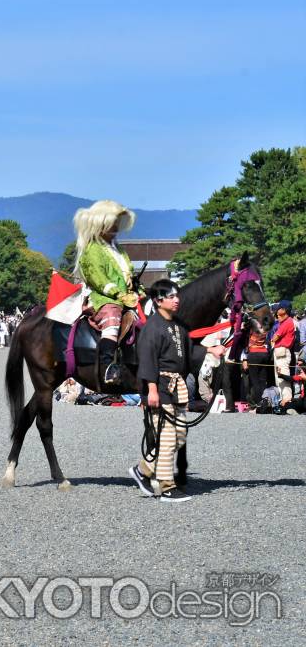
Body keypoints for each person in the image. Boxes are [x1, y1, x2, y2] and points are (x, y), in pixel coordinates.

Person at [129, 279, 224, 503]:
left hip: (176, 386)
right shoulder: (152, 328)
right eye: (171, 296)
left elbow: (189, 351)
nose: (176, 300)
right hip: (159, 385)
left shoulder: (178, 325)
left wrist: (211, 350)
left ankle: (143, 470)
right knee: (168, 436)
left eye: (176, 296)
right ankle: (165, 486)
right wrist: (151, 389)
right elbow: (147, 360)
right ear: (158, 300)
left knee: (178, 435)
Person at [73, 199, 141, 385]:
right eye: (113, 223)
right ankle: (107, 367)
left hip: (127, 297)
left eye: (118, 222)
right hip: (102, 298)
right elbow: (98, 278)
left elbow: (129, 274)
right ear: (102, 223)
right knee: (112, 316)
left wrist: (137, 289)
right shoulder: (92, 249)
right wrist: (119, 294)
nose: (116, 227)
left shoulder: (119, 249)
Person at [270, 300, 296, 407]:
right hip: (281, 351)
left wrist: (273, 339)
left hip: (282, 351)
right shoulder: (286, 321)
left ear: (284, 310)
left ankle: (287, 400)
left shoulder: (287, 322)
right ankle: (283, 400)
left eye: (279, 308)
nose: (277, 311)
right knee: (279, 377)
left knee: (283, 376)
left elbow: (275, 337)